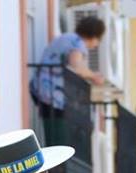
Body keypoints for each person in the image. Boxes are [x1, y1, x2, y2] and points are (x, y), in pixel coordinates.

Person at [30, 17, 107, 146]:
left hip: (42, 90)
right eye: (98, 39)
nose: (97, 44)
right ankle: (57, 163)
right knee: (58, 139)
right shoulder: (78, 42)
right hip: (55, 96)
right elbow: (75, 65)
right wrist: (94, 76)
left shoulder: (65, 38)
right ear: (94, 36)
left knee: (52, 134)